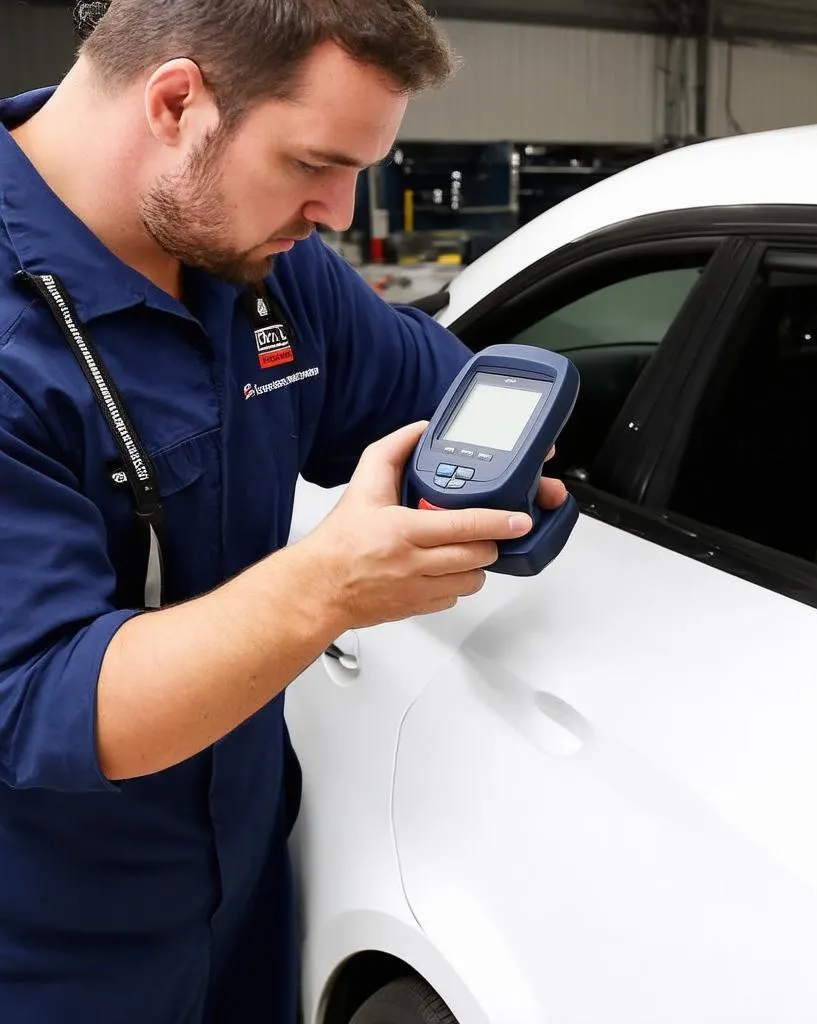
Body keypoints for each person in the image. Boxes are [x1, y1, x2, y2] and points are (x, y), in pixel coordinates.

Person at [0, 1, 568, 1021]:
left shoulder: (263, 266)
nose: (341, 214)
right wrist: (324, 587)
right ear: (177, 101)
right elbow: (43, 701)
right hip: (49, 943)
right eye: (314, 165)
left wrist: (499, 471)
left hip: (247, 889)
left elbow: (440, 396)